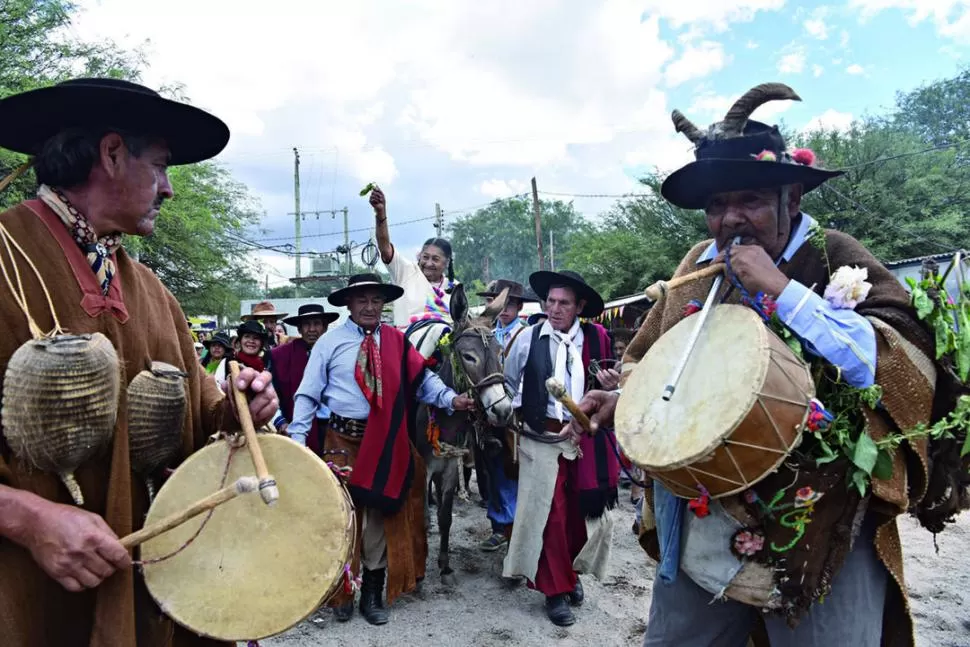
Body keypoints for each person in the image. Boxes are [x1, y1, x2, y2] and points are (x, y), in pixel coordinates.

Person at [571, 83, 937, 647]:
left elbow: (891, 364)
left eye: (750, 200)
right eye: (717, 205)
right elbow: (657, 360)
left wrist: (781, 289)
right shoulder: (698, 264)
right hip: (705, 510)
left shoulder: (836, 257)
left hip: (822, 516)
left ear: (793, 197)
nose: (729, 218)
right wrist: (624, 401)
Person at [0, 77, 278, 647]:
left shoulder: (150, 290)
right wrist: (25, 518)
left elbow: (204, 415)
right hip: (30, 601)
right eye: (161, 165)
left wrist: (238, 406)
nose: (170, 189)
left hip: (149, 598)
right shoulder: (6, 257)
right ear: (111, 153)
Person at [287, 273, 475, 625]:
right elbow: (308, 394)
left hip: (384, 441)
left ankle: (371, 593)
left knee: (376, 519)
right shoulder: (330, 344)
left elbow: (423, 382)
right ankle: (339, 592)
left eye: (376, 300)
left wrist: (452, 399)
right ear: (349, 304)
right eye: (363, 300)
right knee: (341, 518)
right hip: (341, 442)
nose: (370, 307)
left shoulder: (396, 341)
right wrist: (297, 443)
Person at [502, 269, 622, 627]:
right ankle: (554, 590)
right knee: (549, 515)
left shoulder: (598, 338)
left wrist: (614, 385)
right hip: (542, 438)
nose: (554, 309)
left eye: (563, 303)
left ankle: (572, 573)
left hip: (587, 439)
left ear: (579, 306)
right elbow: (508, 383)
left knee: (581, 515)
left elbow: (616, 389)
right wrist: (517, 414)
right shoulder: (527, 339)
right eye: (550, 301)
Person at [475, 279, 537, 552]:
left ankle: (517, 529)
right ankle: (499, 527)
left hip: (518, 417)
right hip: (488, 416)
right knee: (493, 473)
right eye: (493, 302)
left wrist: (511, 405)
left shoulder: (528, 335)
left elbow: (531, 378)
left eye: (508, 304)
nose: (500, 309)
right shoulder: (483, 334)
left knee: (515, 473)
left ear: (519, 306)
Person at [370, 186, 458, 328]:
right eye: (425, 257)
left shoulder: (455, 288)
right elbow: (385, 248)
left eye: (435, 259)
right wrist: (380, 213)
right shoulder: (406, 271)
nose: (428, 263)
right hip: (405, 346)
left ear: (446, 263)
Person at [270, 303, 339, 452]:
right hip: (296, 429)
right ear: (299, 329)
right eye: (306, 324)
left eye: (317, 324)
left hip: (336, 428)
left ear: (325, 327)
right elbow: (272, 394)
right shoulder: (280, 356)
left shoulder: (339, 352)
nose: (312, 329)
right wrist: (281, 423)